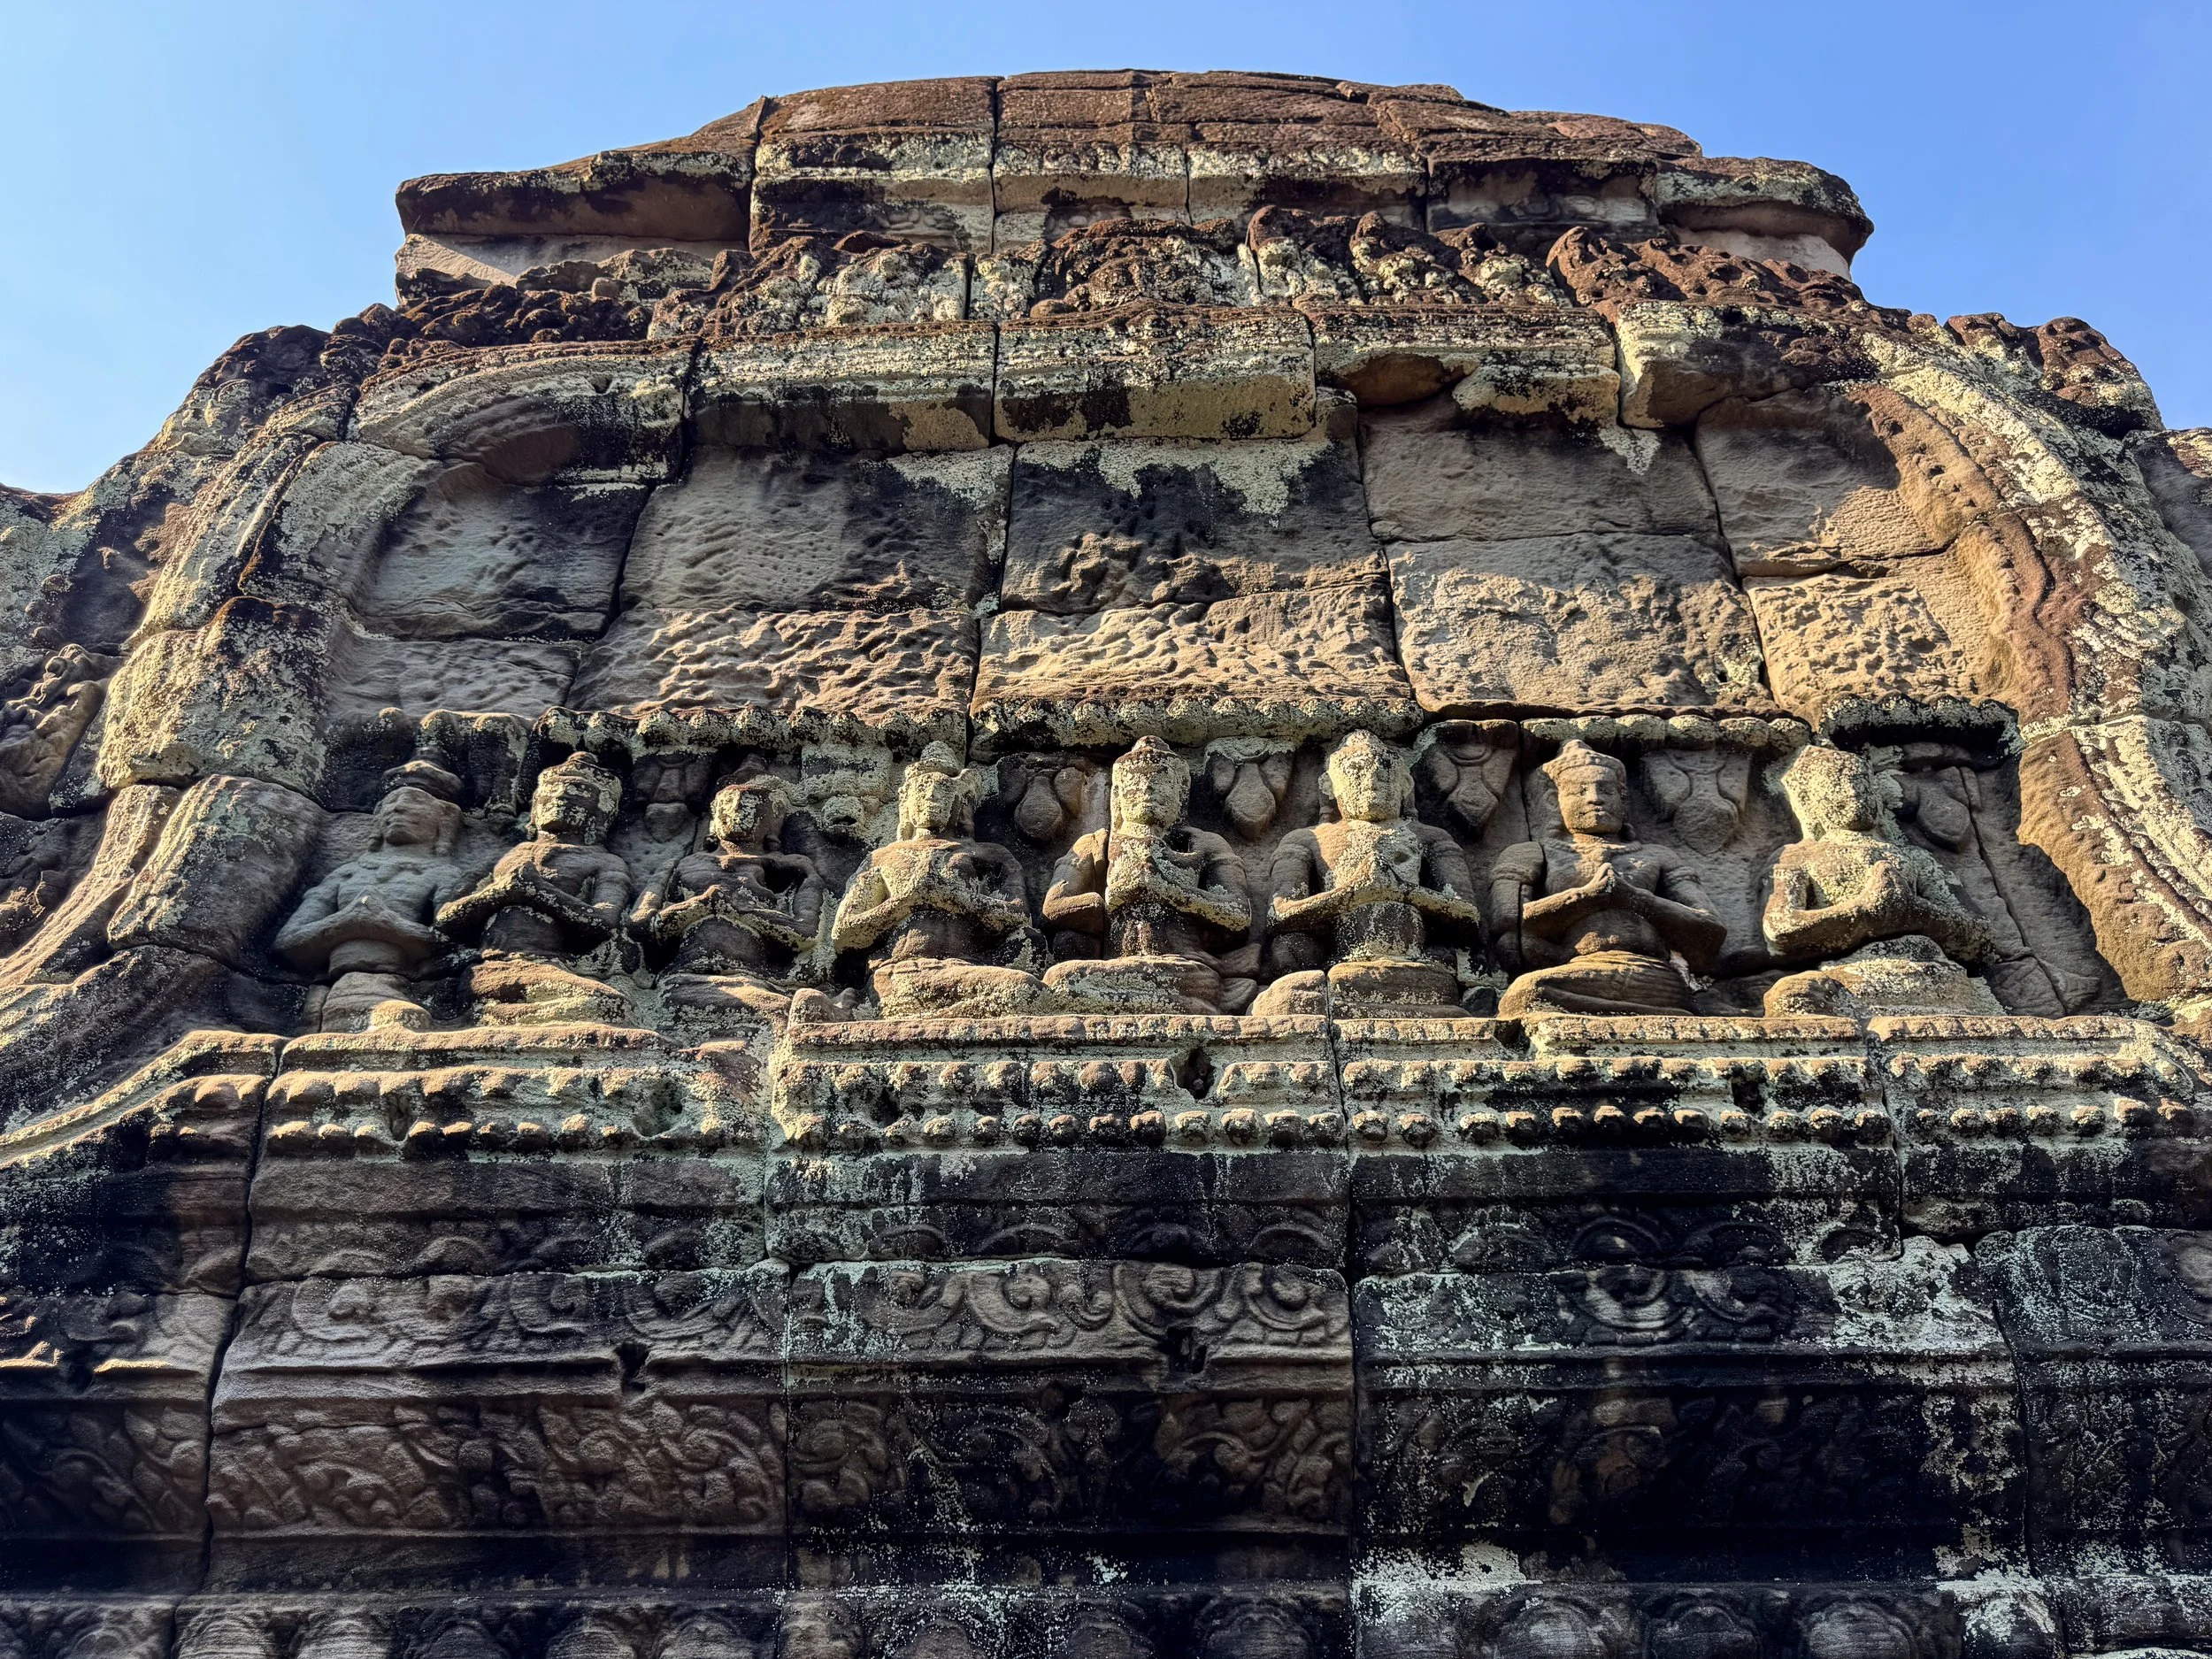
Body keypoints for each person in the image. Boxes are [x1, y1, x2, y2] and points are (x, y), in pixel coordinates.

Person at [1254, 729, 1482, 1018]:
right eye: (1356, 774)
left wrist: (1402, 892)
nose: (1372, 782)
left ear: (1405, 786)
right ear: (1329, 787)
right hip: (1337, 958)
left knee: (1458, 959)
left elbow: (1468, 915)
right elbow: (1280, 915)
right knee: (1287, 950)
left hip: (1415, 959)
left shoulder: (1428, 837)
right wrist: (1351, 894)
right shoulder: (1307, 839)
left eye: (1384, 774)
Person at [1761, 743, 1999, 1018]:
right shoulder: (1797, 857)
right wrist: (1863, 911)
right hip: (1849, 976)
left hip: (1928, 971)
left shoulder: (1911, 857)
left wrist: (1917, 913)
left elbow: (1982, 938)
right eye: (1837, 787)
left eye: (1862, 786)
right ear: (1812, 802)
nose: (1854, 795)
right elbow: (1779, 929)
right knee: (1792, 996)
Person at [1492, 741, 1724, 1018]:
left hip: (1650, 972)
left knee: (1529, 994)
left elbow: (1711, 929)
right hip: (1573, 968)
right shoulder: (1533, 853)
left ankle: (1651, 1013)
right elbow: (1507, 922)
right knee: (1528, 992)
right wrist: (1587, 897)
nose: (1595, 798)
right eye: (1580, 791)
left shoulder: (1657, 856)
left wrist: (1637, 900)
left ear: (1623, 800)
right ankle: (1665, 1016)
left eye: (1606, 789)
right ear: (1555, 802)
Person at [1041, 735, 1255, 1013]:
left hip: (1182, 967)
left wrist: (1171, 892)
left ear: (1181, 794)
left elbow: (1238, 914)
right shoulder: (1097, 844)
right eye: (1136, 784)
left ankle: (1137, 1004)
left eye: (1160, 783)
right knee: (1062, 979)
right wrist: (1104, 902)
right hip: (1115, 965)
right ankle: (1174, 1006)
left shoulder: (1203, 844)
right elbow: (1052, 908)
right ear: (1117, 795)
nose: (1147, 790)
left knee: (1200, 983)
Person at [829, 743, 1042, 1018]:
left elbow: (1019, 915)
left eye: (942, 790)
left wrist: (957, 898)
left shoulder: (990, 854)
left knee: (1023, 982)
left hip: (971, 966)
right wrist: (907, 902)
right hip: (902, 971)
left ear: (960, 802)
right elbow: (844, 931)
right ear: (906, 803)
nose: (931, 796)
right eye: (921, 790)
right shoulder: (882, 859)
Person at [436, 750, 634, 1025]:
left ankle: (488, 1018)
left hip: (547, 963)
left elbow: (604, 923)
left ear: (599, 813)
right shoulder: (508, 855)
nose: (561, 799)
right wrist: (498, 893)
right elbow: (445, 917)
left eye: (577, 794)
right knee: (606, 1006)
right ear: (536, 805)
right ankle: (485, 1017)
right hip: (488, 966)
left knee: (611, 1007)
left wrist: (538, 891)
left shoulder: (604, 861)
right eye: (551, 792)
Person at [273, 761, 467, 1031]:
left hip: (395, 982)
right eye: (389, 803)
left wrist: (387, 923)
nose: (397, 808)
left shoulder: (444, 875)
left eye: (414, 801)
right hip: (331, 982)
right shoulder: (348, 873)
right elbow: (287, 941)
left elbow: (451, 942)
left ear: (442, 819)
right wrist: (346, 922)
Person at [632, 773, 826, 1027]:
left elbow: (805, 933)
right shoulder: (680, 865)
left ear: (771, 822)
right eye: (727, 805)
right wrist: (698, 906)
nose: (735, 812)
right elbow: (640, 924)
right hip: (682, 976)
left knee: (778, 1015)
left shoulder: (791, 869)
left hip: (754, 978)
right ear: (714, 819)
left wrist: (740, 911)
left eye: (749, 806)